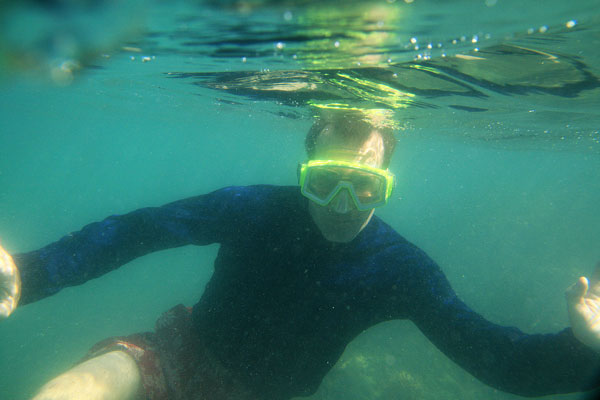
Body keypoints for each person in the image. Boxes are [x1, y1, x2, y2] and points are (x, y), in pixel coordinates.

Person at [1, 110, 600, 400]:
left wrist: (583, 349)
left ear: (387, 183)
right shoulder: (255, 208)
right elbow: (140, 231)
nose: (343, 203)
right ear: (302, 177)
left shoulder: (400, 269)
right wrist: (29, 273)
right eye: (325, 182)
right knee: (79, 387)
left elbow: (498, 358)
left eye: (365, 186)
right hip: (181, 352)